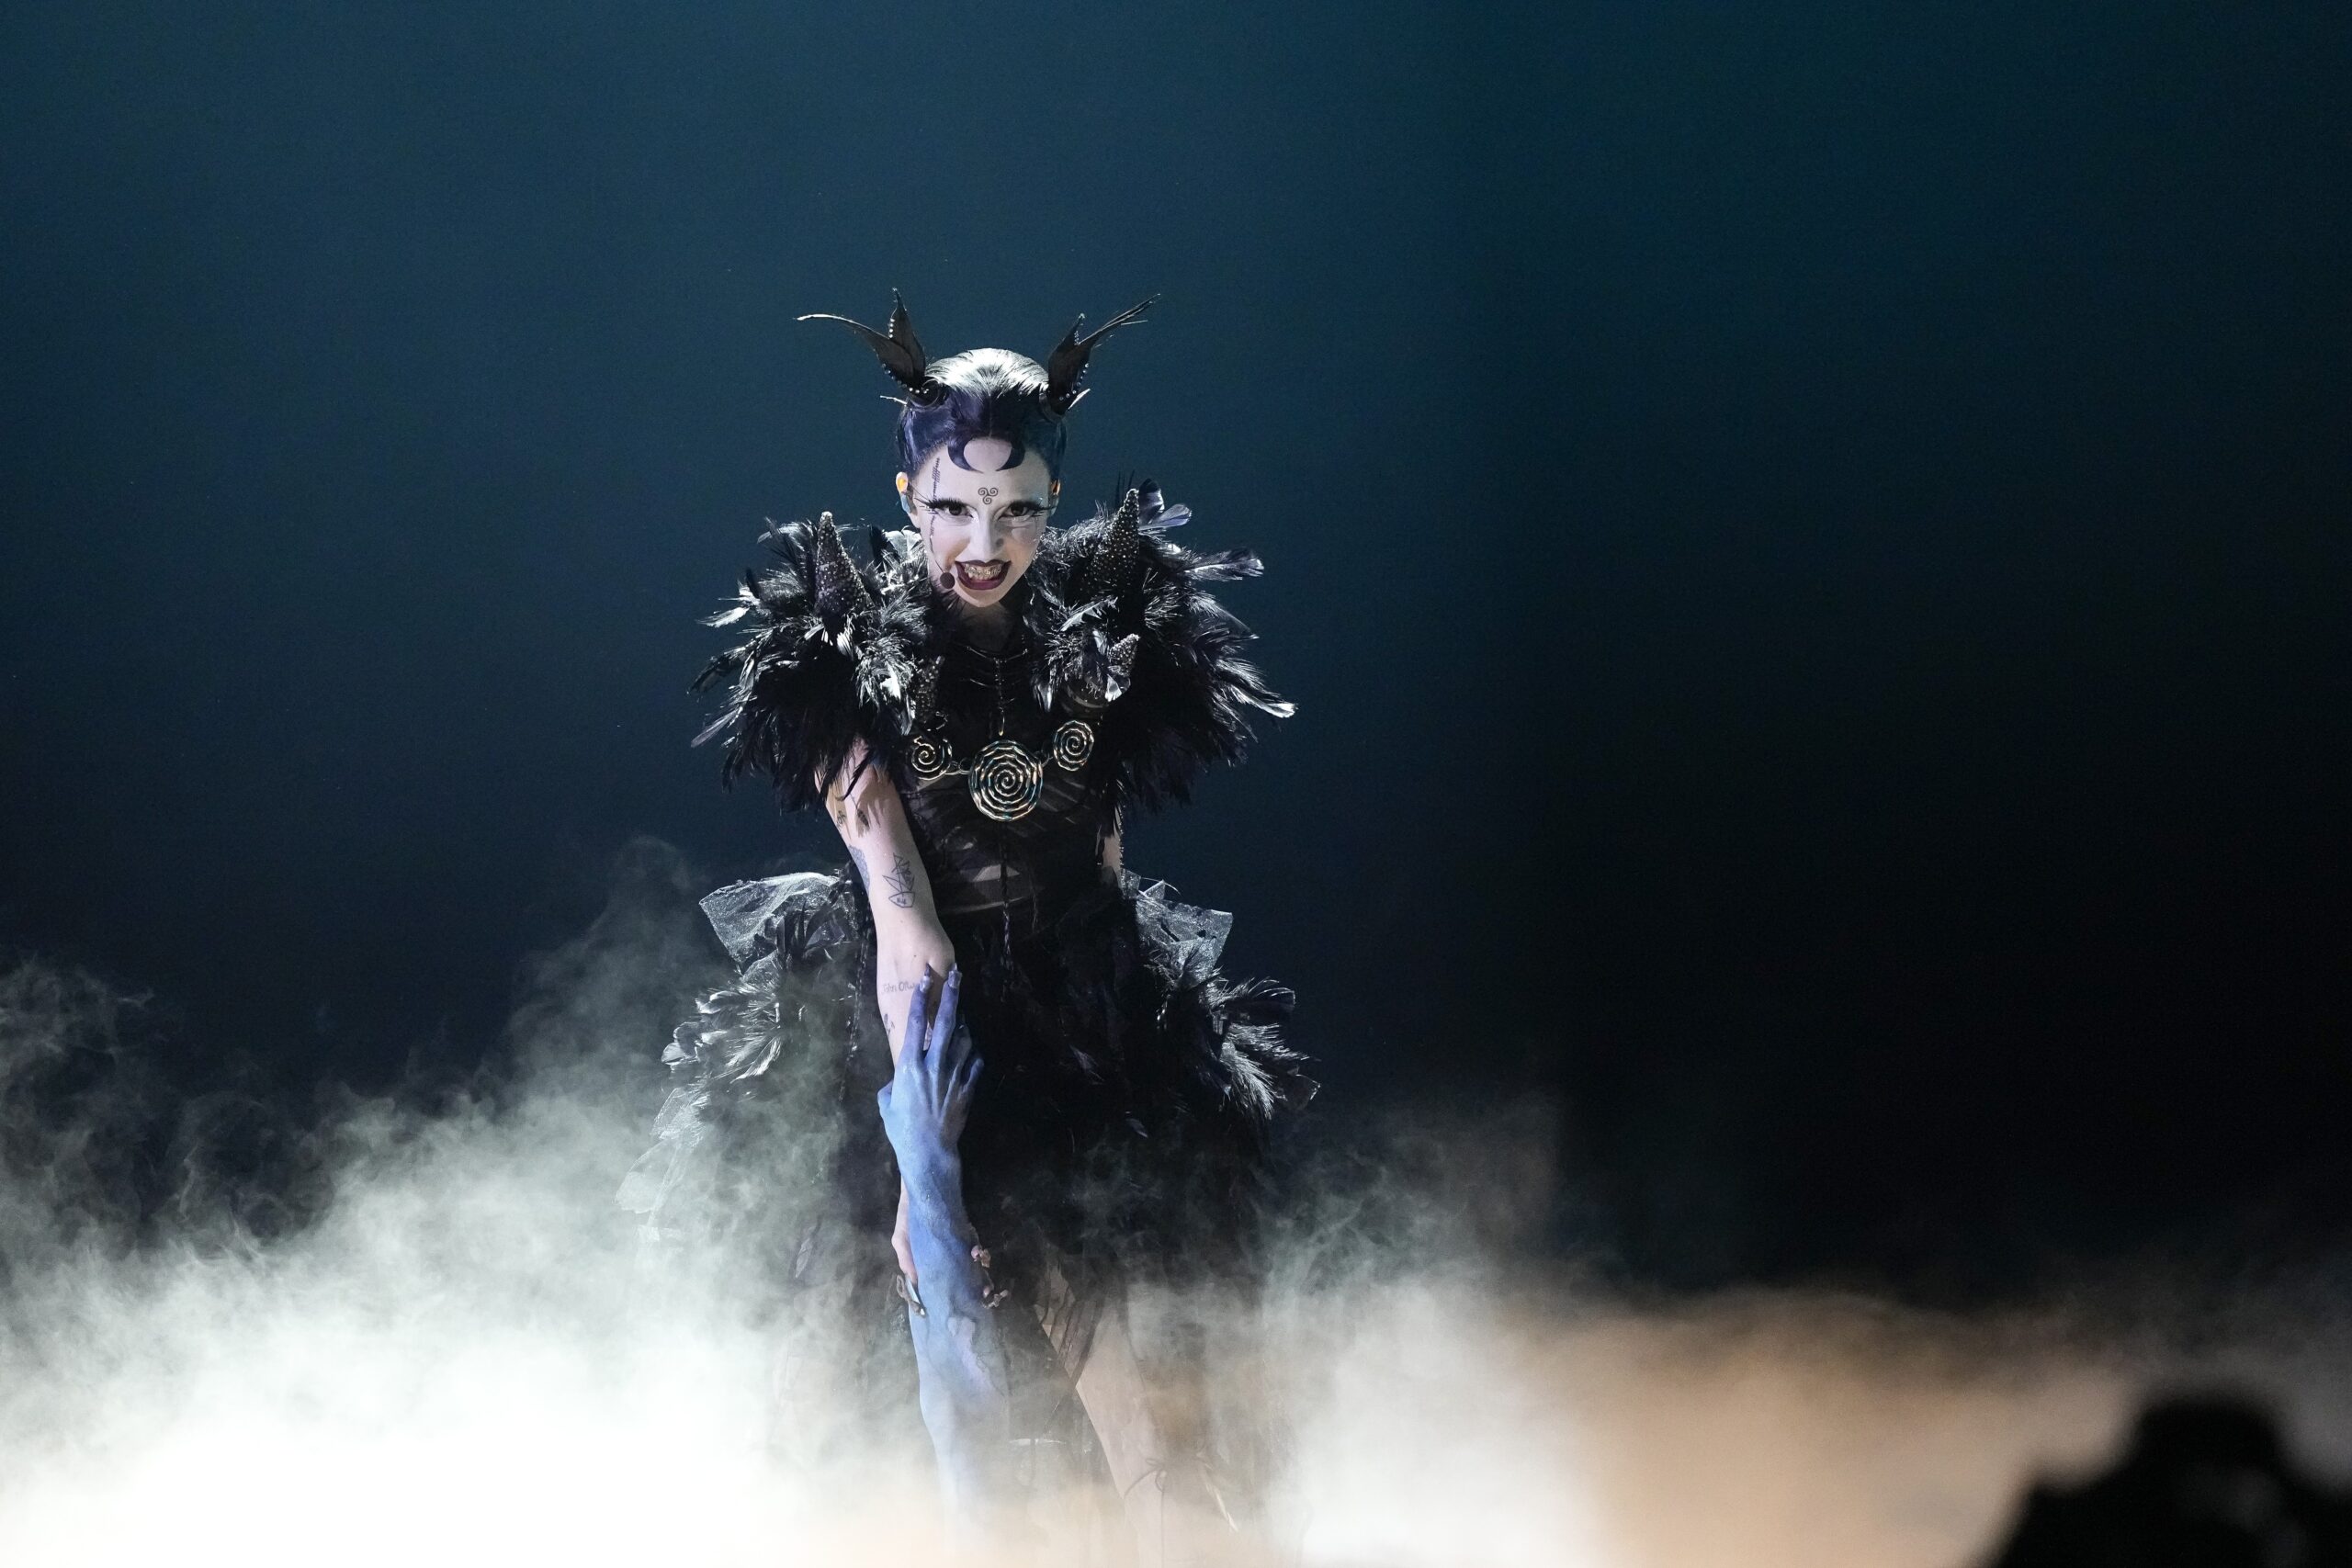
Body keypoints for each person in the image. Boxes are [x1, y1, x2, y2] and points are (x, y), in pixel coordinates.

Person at [619, 293, 1311, 1557]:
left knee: (1141, 1372)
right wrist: (919, 1174)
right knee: (826, 1357)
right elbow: (904, 928)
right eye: (952, 506)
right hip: (902, 1019)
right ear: (905, 493)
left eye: (1017, 510)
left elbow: (1102, 854)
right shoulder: (843, 654)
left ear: (1055, 502)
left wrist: (1126, 1031)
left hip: (1080, 1005)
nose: (982, 541)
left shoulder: (1111, 634)